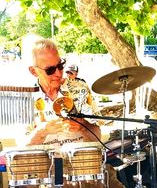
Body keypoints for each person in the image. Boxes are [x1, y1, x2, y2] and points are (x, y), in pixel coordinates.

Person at [26, 38, 124, 187]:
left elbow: (97, 135)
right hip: (50, 173)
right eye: (50, 70)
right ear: (34, 71)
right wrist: (42, 131)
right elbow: (22, 147)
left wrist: (82, 125)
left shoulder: (79, 88)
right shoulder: (27, 97)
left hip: (87, 165)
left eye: (60, 65)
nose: (58, 73)